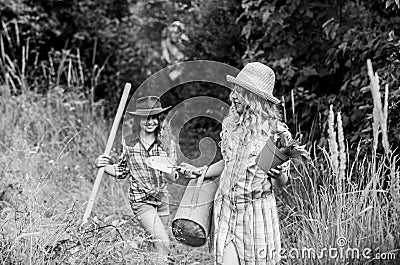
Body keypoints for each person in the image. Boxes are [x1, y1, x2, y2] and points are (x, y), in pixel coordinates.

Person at [181, 62, 292, 265]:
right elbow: (229, 163)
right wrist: (203, 172)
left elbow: (280, 183)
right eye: (234, 90)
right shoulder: (232, 126)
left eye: (240, 92)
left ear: (255, 98)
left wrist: (277, 176)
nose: (233, 96)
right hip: (226, 209)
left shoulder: (276, 134)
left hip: (256, 214)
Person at [95, 96, 179, 265]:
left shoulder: (166, 143)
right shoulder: (129, 143)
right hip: (141, 200)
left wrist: (165, 163)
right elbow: (122, 171)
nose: (150, 122)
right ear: (139, 120)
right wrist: (102, 165)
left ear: (159, 119)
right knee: (163, 243)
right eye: (146, 117)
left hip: (162, 199)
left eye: (154, 117)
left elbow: (172, 177)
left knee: (153, 244)